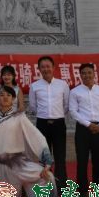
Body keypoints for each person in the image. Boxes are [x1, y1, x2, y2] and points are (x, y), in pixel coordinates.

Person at [0, 86, 57, 197]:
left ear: (13, 99)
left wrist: (46, 160)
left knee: (45, 176)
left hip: (20, 162)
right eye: (2, 95)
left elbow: (35, 136)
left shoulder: (19, 117)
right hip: (2, 165)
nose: (5, 97)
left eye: (8, 95)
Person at [69, 63, 99, 197]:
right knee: (82, 161)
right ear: (80, 75)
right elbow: (73, 111)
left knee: (98, 161)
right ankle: (82, 191)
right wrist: (88, 124)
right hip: (83, 129)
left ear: (94, 74)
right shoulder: (75, 92)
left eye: (89, 72)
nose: (87, 75)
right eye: (84, 73)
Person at [28, 56, 69, 189]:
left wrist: (56, 115)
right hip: (42, 124)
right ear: (39, 69)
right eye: (43, 67)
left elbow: (66, 105)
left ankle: (61, 186)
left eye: (48, 66)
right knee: (43, 156)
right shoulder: (34, 86)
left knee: (60, 155)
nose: (46, 69)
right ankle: (46, 185)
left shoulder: (63, 85)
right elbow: (33, 106)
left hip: (58, 124)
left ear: (53, 68)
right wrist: (45, 115)